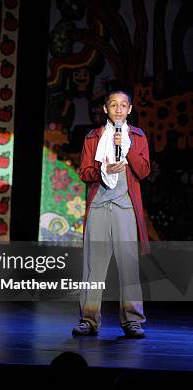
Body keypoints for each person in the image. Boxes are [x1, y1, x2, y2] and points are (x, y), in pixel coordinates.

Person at [72, 89, 150, 338]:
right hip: (98, 207)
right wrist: (102, 170)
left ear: (129, 109)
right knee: (94, 267)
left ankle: (132, 320)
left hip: (124, 207)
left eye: (123, 105)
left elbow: (144, 170)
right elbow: (84, 172)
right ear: (105, 109)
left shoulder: (137, 136)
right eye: (113, 105)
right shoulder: (94, 136)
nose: (118, 109)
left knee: (128, 265)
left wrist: (126, 150)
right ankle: (88, 319)